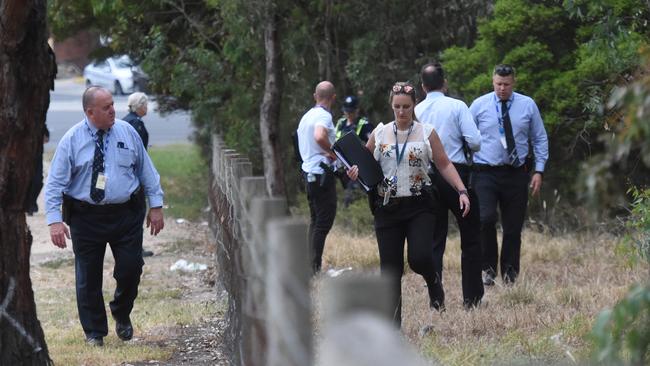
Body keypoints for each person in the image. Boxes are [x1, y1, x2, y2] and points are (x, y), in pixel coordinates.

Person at [45, 86, 165, 347]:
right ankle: (94, 332)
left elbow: (146, 170)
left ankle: (121, 312)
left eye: (113, 104)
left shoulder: (127, 131)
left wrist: (156, 205)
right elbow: (54, 184)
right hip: (86, 217)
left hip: (126, 215)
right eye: (106, 107)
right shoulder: (72, 140)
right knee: (87, 277)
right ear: (90, 112)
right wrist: (54, 221)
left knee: (131, 268)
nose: (113, 110)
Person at [347, 81, 470, 326]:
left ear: (414, 106)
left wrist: (461, 190)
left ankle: (434, 283)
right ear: (391, 107)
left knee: (420, 257)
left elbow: (444, 163)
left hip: (419, 206)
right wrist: (354, 173)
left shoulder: (427, 132)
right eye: (397, 107)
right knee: (390, 272)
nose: (401, 111)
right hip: (387, 207)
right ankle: (393, 327)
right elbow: (364, 164)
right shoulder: (380, 133)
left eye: (406, 106)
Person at [469, 64, 548, 286]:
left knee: (513, 226)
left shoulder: (527, 105)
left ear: (514, 82)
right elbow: (465, 134)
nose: (502, 88)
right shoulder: (479, 105)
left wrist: (539, 170)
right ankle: (487, 269)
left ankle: (510, 273)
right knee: (485, 219)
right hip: (485, 172)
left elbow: (539, 138)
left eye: (506, 84)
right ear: (492, 82)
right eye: (498, 84)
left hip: (516, 173)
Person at [415, 62, 484, 308]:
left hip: (426, 176)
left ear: (423, 87)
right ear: (444, 83)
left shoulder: (416, 110)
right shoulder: (457, 106)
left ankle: (436, 300)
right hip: (456, 174)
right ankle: (472, 299)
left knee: (435, 239)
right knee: (471, 237)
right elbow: (475, 142)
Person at [296, 81, 338, 274]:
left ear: (315, 96)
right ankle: (314, 267)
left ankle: (309, 264)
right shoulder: (324, 116)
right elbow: (320, 136)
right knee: (323, 222)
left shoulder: (306, 116)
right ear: (333, 98)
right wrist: (332, 152)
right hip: (321, 174)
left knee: (315, 219)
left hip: (308, 172)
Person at [123, 92, 154, 257]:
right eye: (146, 105)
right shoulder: (136, 124)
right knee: (137, 210)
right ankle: (135, 247)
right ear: (140, 106)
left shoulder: (125, 120)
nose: (147, 108)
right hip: (134, 174)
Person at [335, 95, 375, 206]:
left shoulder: (364, 124)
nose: (348, 114)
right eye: (346, 111)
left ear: (357, 110)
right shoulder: (340, 123)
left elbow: (373, 143)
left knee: (352, 197)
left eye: (351, 111)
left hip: (358, 169)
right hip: (342, 168)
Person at [25, 124, 50, 215]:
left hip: (37, 156)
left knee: (38, 181)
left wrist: (39, 138)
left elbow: (46, 139)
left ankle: (31, 204)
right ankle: (28, 206)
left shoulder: (41, 124)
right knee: (27, 181)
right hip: (25, 157)